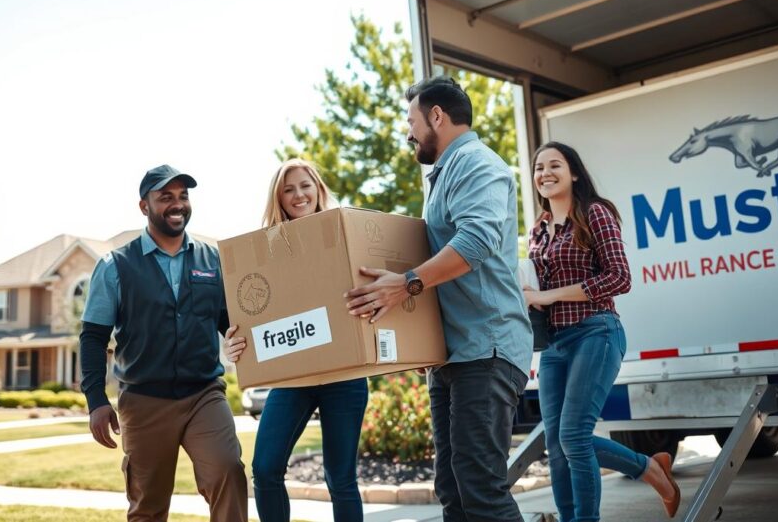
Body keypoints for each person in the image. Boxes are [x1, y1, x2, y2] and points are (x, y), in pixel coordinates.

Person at [345, 76, 533, 522]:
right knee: (452, 488)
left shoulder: (478, 165)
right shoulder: (444, 173)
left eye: (411, 120)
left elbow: (475, 242)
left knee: (481, 489)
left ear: (436, 117)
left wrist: (404, 283)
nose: (408, 132)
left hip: (486, 349)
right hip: (452, 356)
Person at [79, 164, 247, 522]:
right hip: (144, 400)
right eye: (166, 197)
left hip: (204, 393)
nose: (177, 204)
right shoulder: (115, 266)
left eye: (183, 196)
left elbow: (229, 323)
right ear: (144, 206)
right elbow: (93, 337)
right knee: (148, 505)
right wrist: (96, 400)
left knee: (228, 471)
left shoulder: (212, 260)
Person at [524, 142, 681, 522]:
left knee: (574, 436)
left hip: (596, 331)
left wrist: (548, 294)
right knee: (557, 444)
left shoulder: (595, 213)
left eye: (554, 165)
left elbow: (619, 278)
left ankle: (649, 471)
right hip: (555, 344)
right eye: (538, 167)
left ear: (574, 172)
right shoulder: (539, 228)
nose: (544, 172)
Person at [223, 158, 369, 522]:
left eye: (305, 185)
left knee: (341, 478)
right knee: (265, 467)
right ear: (279, 198)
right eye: (288, 189)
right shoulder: (266, 252)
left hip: (344, 376)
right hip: (293, 378)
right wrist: (236, 344)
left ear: (318, 188)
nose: (298, 194)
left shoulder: (346, 234)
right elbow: (253, 316)